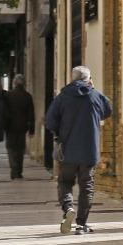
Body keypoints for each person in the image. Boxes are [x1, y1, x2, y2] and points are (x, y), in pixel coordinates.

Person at [45, 65, 112, 235]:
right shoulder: (95, 96)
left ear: (73, 78)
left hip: (68, 149)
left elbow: (50, 121)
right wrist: (93, 89)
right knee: (86, 185)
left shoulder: (63, 96)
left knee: (65, 182)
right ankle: (81, 224)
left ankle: (68, 208)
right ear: (89, 79)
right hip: (89, 150)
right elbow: (108, 110)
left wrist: (58, 132)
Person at [3, 75, 35, 180]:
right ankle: (19, 171)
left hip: (10, 126)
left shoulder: (8, 95)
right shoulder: (27, 96)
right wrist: (31, 129)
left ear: (14, 83)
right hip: (22, 126)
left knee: (11, 148)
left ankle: (14, 170)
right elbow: (31, 114)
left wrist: (4, 125)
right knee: (20, 149)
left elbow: (4, 112)